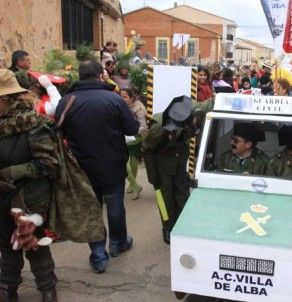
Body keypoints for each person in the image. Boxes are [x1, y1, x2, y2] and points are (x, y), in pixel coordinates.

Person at [55, 60, 139, 274]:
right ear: (101, 75)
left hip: (81, 167)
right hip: (112, 165)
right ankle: (118, 243)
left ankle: (99, 256)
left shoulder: (67, 101)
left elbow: (57, 133)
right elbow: (132, 128)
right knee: (115, 206)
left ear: (80, 76)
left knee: (91, 210)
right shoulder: (114, 99)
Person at [0, 69, 58, 301]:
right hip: (2, 198)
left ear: (5, 100)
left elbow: (49, 164)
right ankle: (7, 289)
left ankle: (48, 289)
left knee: (35, 246)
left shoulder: (34, 124)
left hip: (31, 198)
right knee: (6, 244)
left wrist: (12, 172)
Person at [142, 96, 200, 244]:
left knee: (182, 194)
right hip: (162, 166)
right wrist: (153, 175)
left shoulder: (187, 113)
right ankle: (168, 228)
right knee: (165, 199)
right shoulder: (158, 125)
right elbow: (147, 148)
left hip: (179, 162)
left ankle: (183, 226)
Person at [121, 88, 148, 200]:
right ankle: (136, 185)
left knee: (133, 164)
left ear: (132, 98)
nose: (122, 99)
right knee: (123, 163)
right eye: (120, 96)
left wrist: (133, 131)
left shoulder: (139, 108)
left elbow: (144, 127)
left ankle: (132, 184)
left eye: (125, 97)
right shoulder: (120, 106)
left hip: (136, 140)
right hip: (124, 139)